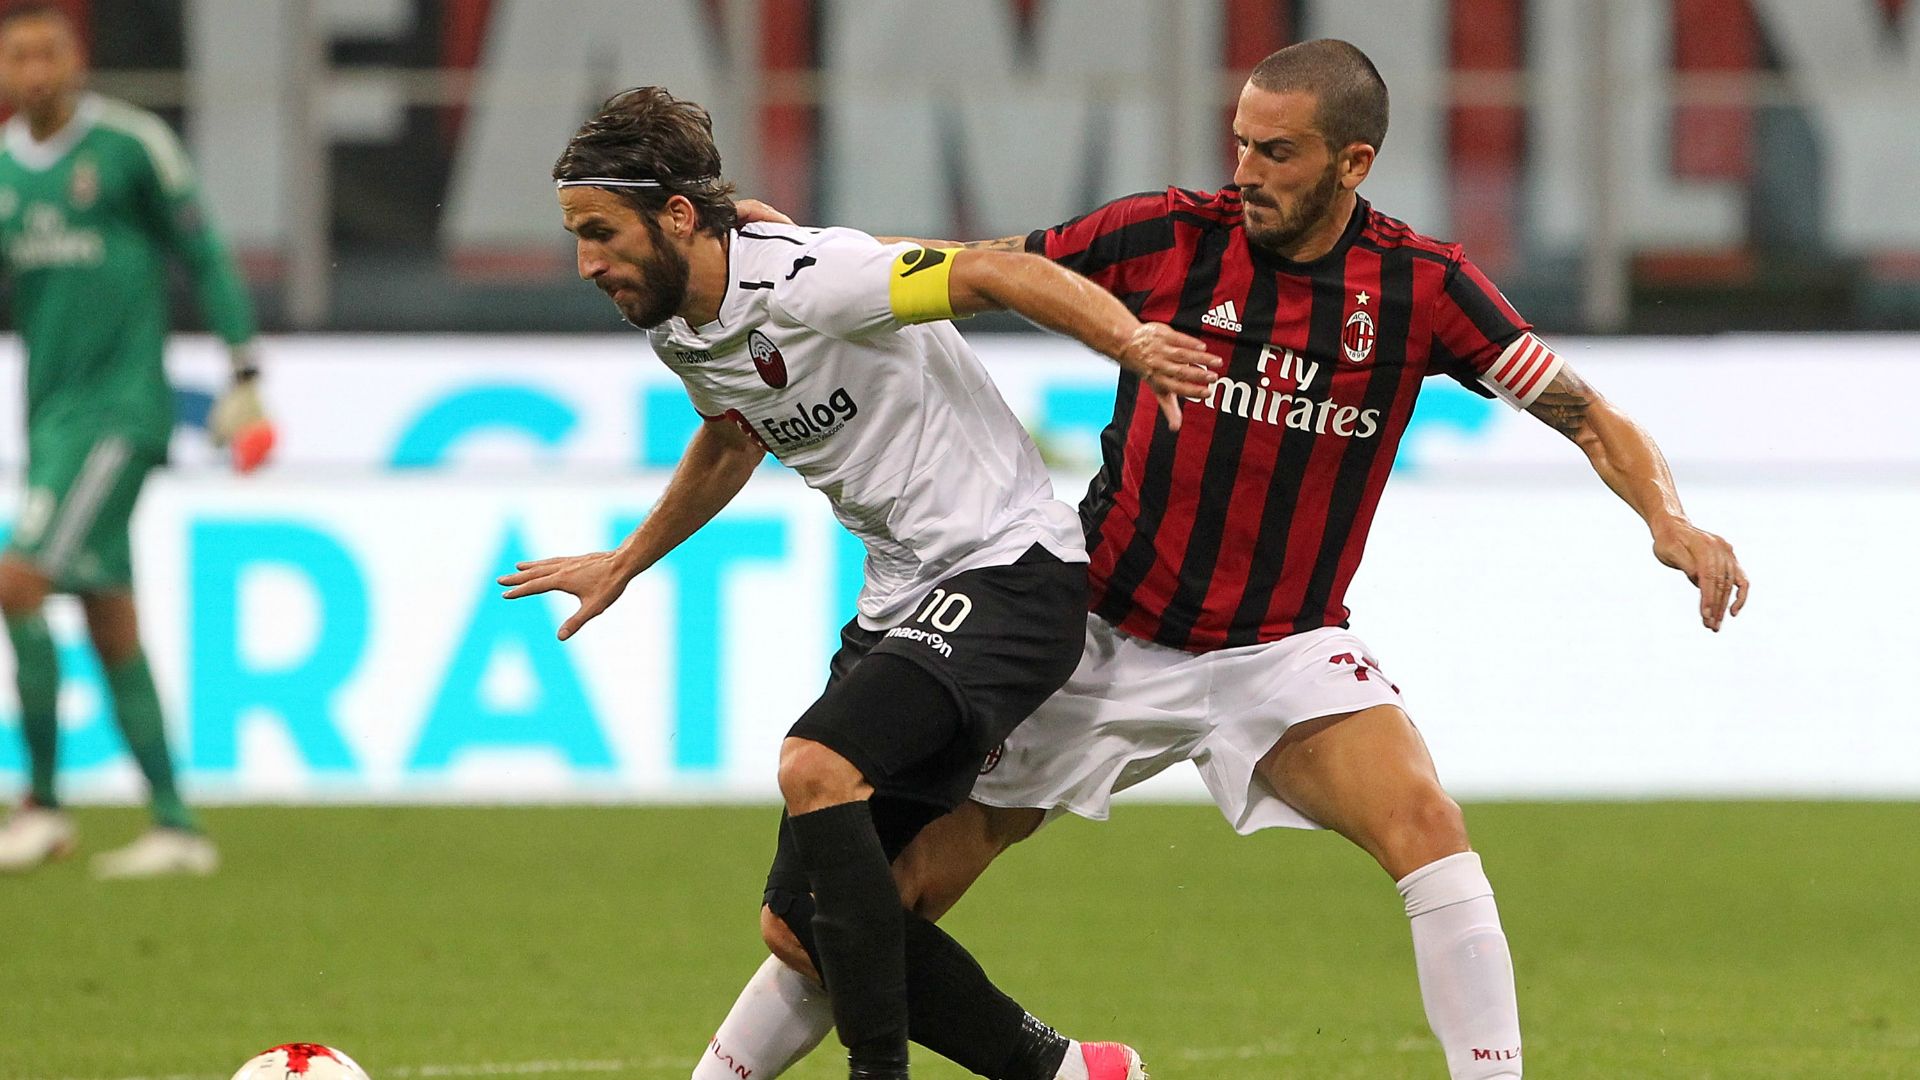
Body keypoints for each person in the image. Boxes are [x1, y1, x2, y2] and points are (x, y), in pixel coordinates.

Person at [702, 39, 1750, 1080]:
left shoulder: (1421, 286)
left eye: (1278, 153)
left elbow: (1583, 410)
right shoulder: (1168, 234)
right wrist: (813, 252)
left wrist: (1671, 519)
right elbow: (989, 264)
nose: (1245, 172)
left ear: (1355, 163)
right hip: (1095, 632)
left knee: (1426, 821)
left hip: (1280, 649)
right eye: (1241, 143)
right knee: (862, 907)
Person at [498, 87, 1218, 1080]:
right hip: (903, 603)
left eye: (599, 231)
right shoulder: (677, 325)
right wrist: (627, 559)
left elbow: (997, 272)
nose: (586, 262)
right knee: (800, 927)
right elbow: (732, 432)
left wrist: (1128, 339)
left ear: (675, 215)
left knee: (813, 766)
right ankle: (1066, 1073)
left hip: (1009, 573)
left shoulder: (817, 280)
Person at [0, 0, 263, 878]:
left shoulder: (128, 146)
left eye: (47, 54)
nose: (34, 72)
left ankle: (39, 807)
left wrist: (244, 369)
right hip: (50, 419)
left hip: (119, 413)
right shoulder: (3, 171)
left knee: (18, 578)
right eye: (18, 59)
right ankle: (176, 823)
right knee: (107, 614)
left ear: (74, 61)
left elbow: (205, 252)